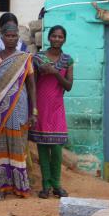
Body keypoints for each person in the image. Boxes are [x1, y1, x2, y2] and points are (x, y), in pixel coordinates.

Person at [0, 23, 37, 199]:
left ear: (18, 38)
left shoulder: (24, 58)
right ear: (2, 38)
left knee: (18, 146)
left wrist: (34, 111)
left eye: (14, 36)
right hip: (0, 109)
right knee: (0, 146)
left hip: (20, 107)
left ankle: (20, 187)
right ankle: (2, 187)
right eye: (8, 36)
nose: (11, 39)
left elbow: (31, 86)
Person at [30, 25, 74, 199]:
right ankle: (45, 186)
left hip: (56, 108)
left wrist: (55, 72)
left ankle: (56, 184)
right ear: (49, 38)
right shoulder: (38, 58)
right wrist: (33, 109)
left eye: (60, 37)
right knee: (42, 149)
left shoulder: (67, 60)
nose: (57, 39)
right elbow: (32, 84)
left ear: (64, 39)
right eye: (54, 36)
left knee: (56, 149)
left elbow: (69, 86)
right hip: (41, 106)